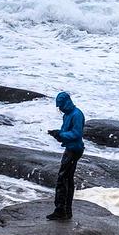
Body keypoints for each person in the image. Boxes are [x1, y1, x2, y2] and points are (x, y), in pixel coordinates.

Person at [46, 91, 85, 220]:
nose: (60, 108)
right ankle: (66, 210)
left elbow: (77, 134)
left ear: (67, 102)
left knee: (63, 179)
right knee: (67, 179)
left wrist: (61, 135)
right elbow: (66, 132)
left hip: (74, 150)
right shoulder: (68, 115)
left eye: (61, 105)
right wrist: (57, 134)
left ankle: (61, 210)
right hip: (70, 148)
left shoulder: (77, 114)